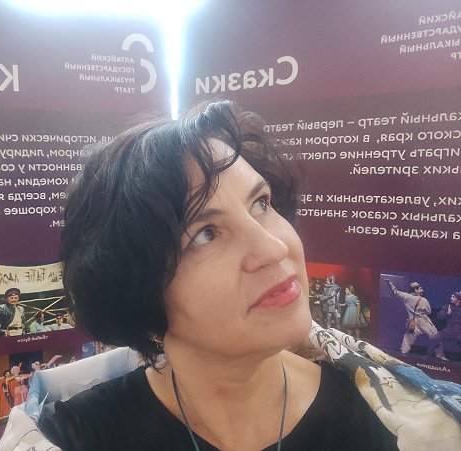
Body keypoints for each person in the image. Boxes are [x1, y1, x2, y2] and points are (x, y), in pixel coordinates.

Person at [35, 101, 402, 450]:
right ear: (138, 294)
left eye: (261, 203)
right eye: (206, 234)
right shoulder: (79, 436)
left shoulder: (387, 418)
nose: (274, 248)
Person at [383, 279, 447, 360]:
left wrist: (389, 283)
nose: (422, 291)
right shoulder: (424, 300)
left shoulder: (406, 296)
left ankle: (402, 355)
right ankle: (440, 356)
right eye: (420, 289)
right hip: (424, 323)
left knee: (407, 340)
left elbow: (395, 291)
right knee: (436, 337)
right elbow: (429, 312)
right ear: (415, 290)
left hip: (412, 322)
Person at [426, 291, 461, 360]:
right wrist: (447, 313)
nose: (451, 298)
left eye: (453, 297)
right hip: (448, 330)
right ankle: (427, 356)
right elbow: (440, 316)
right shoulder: (448, 307)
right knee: (434, 339)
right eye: (452, 296)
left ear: (458, 300)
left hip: (459, 332)